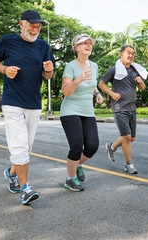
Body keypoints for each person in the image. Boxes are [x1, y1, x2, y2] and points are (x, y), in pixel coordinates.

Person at [0, 10, 55, 205]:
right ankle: (25, 189)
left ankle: (11, 174)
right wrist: (4, 69)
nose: (36, 29)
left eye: (38, 26)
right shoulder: (7, 41)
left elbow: (48, 76)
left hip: (34, 103)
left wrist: (49, 71)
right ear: (21, 24)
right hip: (12, 102)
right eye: (32, 25)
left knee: (26, 148)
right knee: (19, 146)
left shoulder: (44, 46)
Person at [60, 34, 104, 191]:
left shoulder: (94, 66)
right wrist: (78, 79)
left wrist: (97, 93)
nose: (88, 45)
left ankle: (76, 165)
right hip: (70, 110)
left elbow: (92, 85)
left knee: (92, 146)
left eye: (89, 43)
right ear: (76, 48)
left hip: (87, 111)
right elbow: (66, 91)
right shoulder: (70, 66)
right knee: (77, 144)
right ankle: (70, 179)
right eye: (83, 43)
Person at [98, 44, 147, 174]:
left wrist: (140, 82)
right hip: (119, 108)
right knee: (126, 137)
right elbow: (101, 84)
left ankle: (111, 147)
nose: (131, 55)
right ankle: (129, 165)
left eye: (133, 53)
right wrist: (112, 94)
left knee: (131, 138)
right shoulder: (114, 70)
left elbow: (142, 88)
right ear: (121, 54)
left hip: (132, 108)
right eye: (128, 53)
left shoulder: (135, 70)